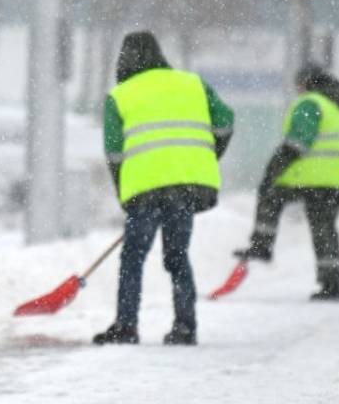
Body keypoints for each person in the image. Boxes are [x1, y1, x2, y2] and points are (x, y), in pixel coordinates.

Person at [93, 31, 234, 346]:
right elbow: (225, 121)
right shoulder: (192, 84)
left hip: (144, 187)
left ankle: (126, 326)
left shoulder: (121, 95)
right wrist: (208, 154)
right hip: (185, 186)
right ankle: (186, 326)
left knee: (133, 256)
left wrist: (123, 192)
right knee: (177, 255)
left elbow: (115, 154)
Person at [234, 64, 339, 301]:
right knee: (325, 228)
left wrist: (274, 167)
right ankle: (331, 284)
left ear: (305, 83)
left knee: (271, 193)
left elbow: (298, 143)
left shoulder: (311, 103)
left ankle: (262, 245)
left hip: (311, 174)